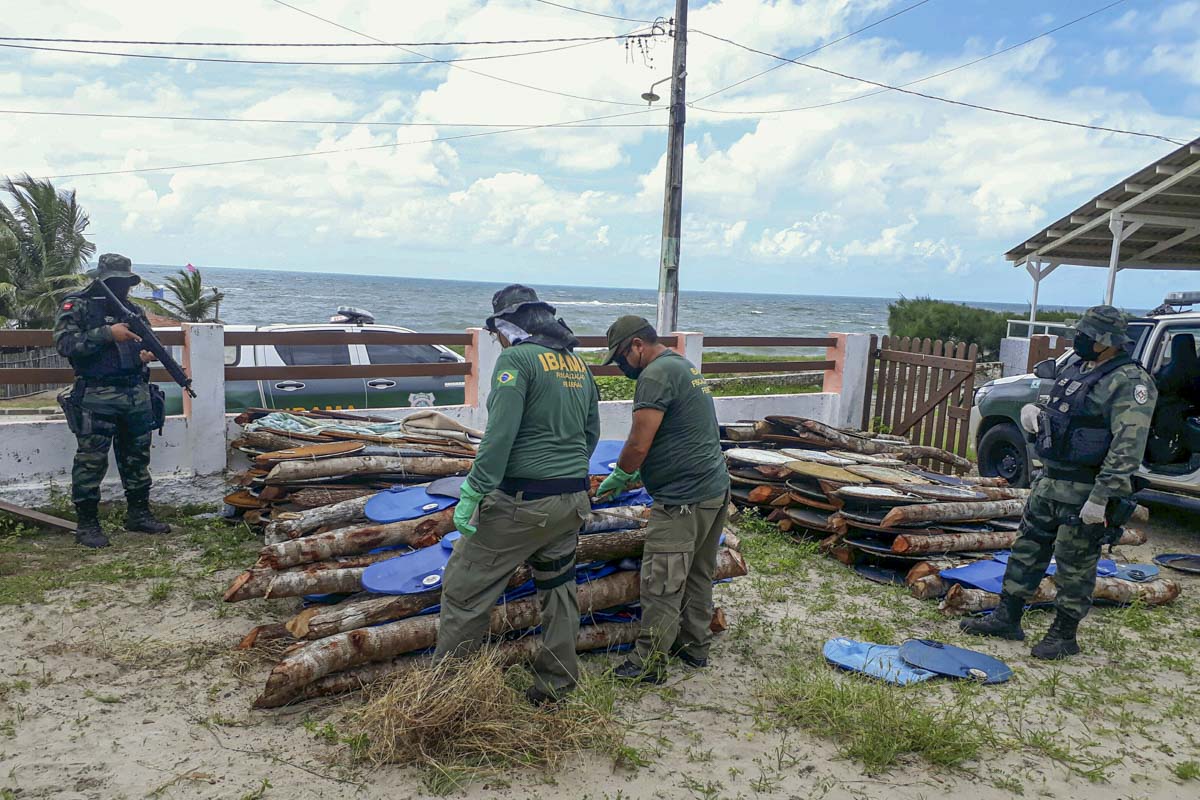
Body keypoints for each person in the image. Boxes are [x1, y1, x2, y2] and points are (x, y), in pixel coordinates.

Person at [433, 285, 599, 705]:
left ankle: (445, 695)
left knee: (463, 589)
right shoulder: (578, 365)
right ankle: (557, 683)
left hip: (524, 502)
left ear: (507, 326)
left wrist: (474, 489)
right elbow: (592, 433)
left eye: (497, 333)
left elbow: (499, 437)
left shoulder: (516, 361)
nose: (498, 341)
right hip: (571, 499)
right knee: (558, 587)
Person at [961, 305, 1157, 659]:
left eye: (1086, 335)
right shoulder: (1077, 368)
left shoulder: (1129, 382)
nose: (1077, 340)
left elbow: (1127, 448)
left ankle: (1064, 634)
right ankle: (1007, 617)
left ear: (1106, 341)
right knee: (1026, 550)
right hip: (1050, 483)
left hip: (1085, 492)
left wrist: (1101, 498)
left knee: (1075, 563)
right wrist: (1035, 416)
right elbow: (1061, 413)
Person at [597, 316, 731, 683]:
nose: (621, 364)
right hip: (713, 489)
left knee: (662, 581)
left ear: (638, 345)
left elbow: (640, 442)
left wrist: (623, 473)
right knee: (698, 573)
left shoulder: (654, 375)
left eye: (622, 356)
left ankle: (649, 664)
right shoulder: (682, 365)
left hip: (682, 498)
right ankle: (694, 647)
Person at [53, 254, 172, 548]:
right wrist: (108, 333)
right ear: (102, 280)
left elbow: (144, 343)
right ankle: (88, 524)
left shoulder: (132, 310)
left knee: (137, 458)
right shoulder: (77, 305)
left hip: (134, 392)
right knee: (91, 462)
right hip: (97, 395)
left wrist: (145, 354)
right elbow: (65, 344)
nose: (121, 287)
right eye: (115, 282)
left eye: (125, 282)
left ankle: (138, 514)